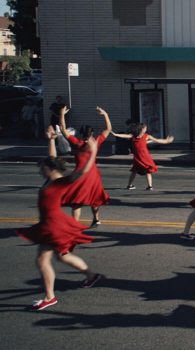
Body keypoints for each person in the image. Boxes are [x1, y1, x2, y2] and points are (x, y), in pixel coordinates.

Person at [17, 128, 104, 311]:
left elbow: (82, 172)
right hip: (53, 224)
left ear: (50, 169)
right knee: (62, 256)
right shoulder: (50, 179)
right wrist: (51, 139)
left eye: (43, 168)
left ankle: (50, 297)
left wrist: (94, 151)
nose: (40, 171)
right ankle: (92, 276)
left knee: (42, 260)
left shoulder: (60, 182)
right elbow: (52, 158)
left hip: (53, 226)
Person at [59, 106, 111, 227]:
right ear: (92, 133)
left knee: (76, 200)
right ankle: (96, 219)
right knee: (94, 196)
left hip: (79, 173)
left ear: (81, 133)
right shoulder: (95, 142)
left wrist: (62, 114)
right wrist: (105, 114)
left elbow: (63, 130)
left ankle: (74, 223)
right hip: (92, 173)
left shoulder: (76, 143)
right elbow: (108, 129)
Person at [111, 123, 174, 191]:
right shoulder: (138, 136)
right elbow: (125, 136)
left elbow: (157, 140)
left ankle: (134, 185)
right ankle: (148, 186)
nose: (146, 129)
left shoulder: (142, 136)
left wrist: (166, 141)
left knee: (137, 170)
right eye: (145, 128)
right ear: (142, 129)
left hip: (140, 157)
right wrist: (116, 134)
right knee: (145, 170)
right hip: (143, 157)